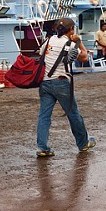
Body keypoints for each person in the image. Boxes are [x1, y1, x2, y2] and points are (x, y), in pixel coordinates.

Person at [36, 17, 96, 157]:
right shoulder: (70, 44)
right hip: (61, 82)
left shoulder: (48, 40)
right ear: (71, 30)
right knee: (73, 113)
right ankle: (83, 143)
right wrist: (79, 42)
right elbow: (84, 58)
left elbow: (42, 54)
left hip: (45, 82)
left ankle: (42, 147)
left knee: (44, 116)